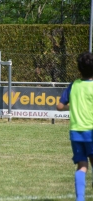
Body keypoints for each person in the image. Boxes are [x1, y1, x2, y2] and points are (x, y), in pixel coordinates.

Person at [57, 52, 93, 201]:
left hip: (75, 132)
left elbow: (59, 106)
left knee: (82, 166)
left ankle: (80, 199)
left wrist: (71, 107)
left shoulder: (73, 85)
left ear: (79, 69)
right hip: (91, 131)